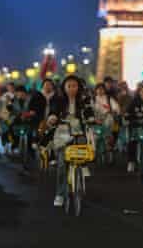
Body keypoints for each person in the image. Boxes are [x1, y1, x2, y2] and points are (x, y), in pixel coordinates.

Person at [53, 76, 94, 207]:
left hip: (79, 132)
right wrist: (52, 118)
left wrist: (92, 119)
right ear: (64, 87)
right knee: (61, 164)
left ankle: (83, 166)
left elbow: (89, 112)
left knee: (86, 147)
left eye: (74, 86)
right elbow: (53, 113)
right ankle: (59, 194)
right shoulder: (59, 101)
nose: (72, 88)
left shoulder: (83, 100)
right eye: (69, 86)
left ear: (79, 87)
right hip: (63, 133)